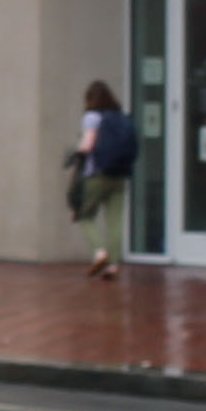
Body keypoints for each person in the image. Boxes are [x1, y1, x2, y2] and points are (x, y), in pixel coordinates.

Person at [68, 80, 136, 277]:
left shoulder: (91, 117)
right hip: (120, 175)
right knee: (114, 222)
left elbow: (87, 145)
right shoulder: (120, 116)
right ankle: (113, 266)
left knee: (84, 215)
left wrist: (76, 152)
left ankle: (100, 252)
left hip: (97, 175)